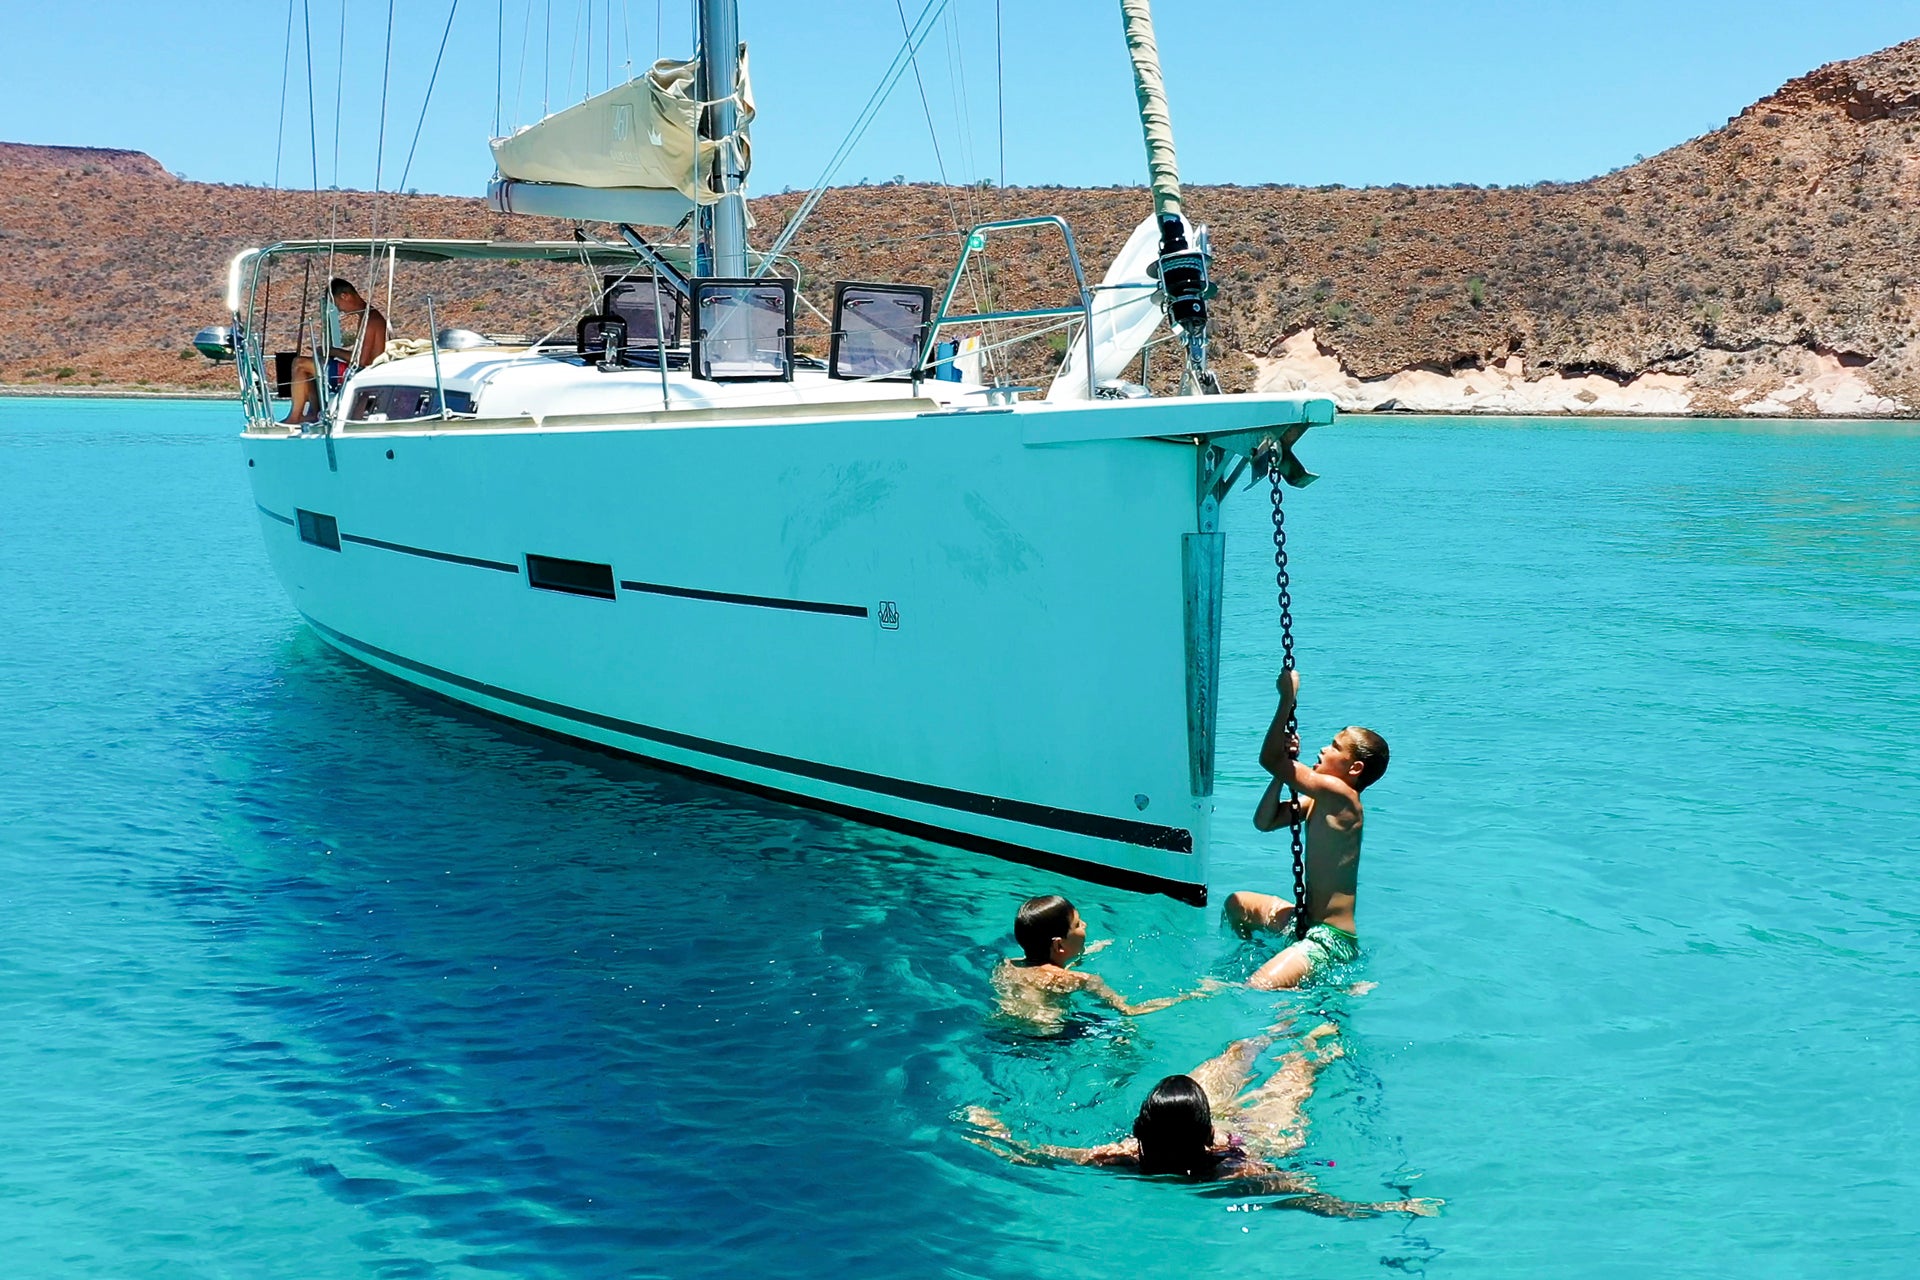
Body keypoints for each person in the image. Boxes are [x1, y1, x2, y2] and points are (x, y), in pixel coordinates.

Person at [964, 1024, 1438, 1217]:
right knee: (1293, 1078)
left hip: (1207, 1132)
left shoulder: (1126, 1157)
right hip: (1252, 1139)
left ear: (1140, 1129)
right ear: (1209, 1131)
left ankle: (1265, 1041)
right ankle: (1308, 1037)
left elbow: (1042, 1157)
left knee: (1223, 1069)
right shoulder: (1235, 1169)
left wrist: (992, 1132)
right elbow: (1312, 1199)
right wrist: (1387, 1209)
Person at [1225, 669, 1389, 990]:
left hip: (1330, 939)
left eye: (1334, 746)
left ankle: (1283, 997)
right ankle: (1260, 958)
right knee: (1237, 904)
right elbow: (1265, 821)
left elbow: (1268, 758)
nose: (1323, 750)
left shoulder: (1343, 797)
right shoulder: (1320, 802)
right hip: (1305, 923)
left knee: (1257, 987)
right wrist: (1282, 773)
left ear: (1354, 768)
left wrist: (1287, 698)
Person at [991, 894, 1217, 1028]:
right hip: (1049, 1039)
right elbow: (1130, 1010)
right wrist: (1191, 995)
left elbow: (1045, 974)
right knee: (1126, 1033)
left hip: (1004, 1030)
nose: (1086, 926)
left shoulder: (1007, 965)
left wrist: (1080, 955)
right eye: (1078, 924)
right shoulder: (1082, 980)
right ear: (1059, 945)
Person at [281, 277, 389, 424]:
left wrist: (332, 351)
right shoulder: (369, 315)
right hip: (362, 368)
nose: (340, 310)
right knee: (309, 365)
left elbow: (362, 361)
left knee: (299, 363)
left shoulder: (370, 320)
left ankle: (295, 417)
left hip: (363, 372)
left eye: (338, 304)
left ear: (345, 296)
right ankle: (315, 413)